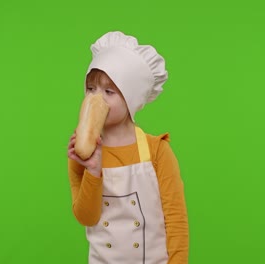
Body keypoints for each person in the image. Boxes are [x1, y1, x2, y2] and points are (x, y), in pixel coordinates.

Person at [67, 31, 189, 264]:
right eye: (91, 89)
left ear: (131, 98)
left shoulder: (157, 151)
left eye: (109, 91)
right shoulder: (81, 154)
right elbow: (87, 217)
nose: (96, 98)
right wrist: (93, 170)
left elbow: (175, 220)